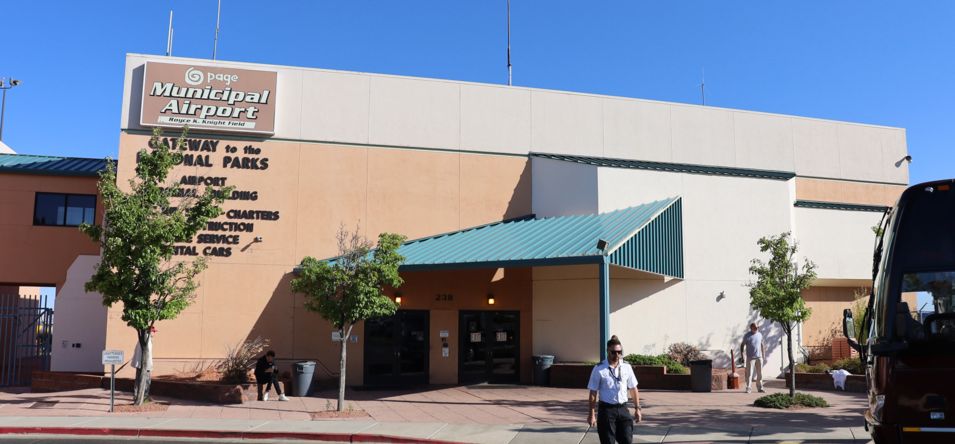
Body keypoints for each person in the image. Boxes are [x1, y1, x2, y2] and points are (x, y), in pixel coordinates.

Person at [587, 335, 641, 444]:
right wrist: (591, 414)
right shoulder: (599, 368)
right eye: (613, 352)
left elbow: (633, 388)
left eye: (619, 352)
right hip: (606, 410)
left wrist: (637, 408)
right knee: (608, 441)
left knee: (627, 440)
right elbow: (593, 392)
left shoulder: (627, 367)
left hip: (623, 409)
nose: (617, 355)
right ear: (608, 351)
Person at [740, 323, 767, 393]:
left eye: (757, 327)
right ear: (751, 327)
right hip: (750, 357)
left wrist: (763, 355)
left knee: (760, 373)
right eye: (755, 327)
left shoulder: (760, 334)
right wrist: (742, 355)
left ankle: (760, 388)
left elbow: (762, 344)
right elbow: (742, 345)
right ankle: (748, 388)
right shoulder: (747, 335)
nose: (757, 329)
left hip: (759, 357)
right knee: (749, 374)